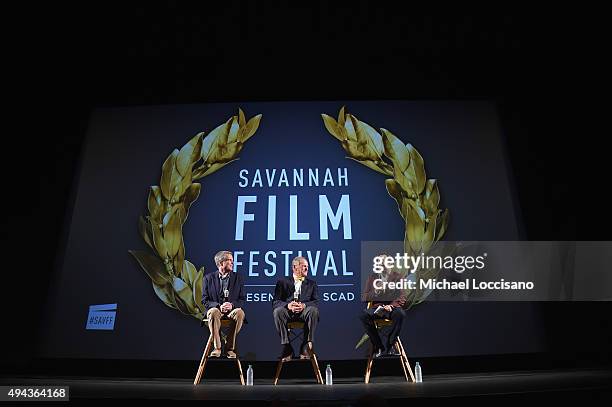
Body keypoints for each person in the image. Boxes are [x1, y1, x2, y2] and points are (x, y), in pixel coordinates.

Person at [359, 254, 407, 357]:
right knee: (363, 316)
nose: (379, 266)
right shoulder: (372, 277)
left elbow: (402, 296)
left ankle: (390, 344)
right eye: (378, 264)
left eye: (382, 264)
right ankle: (378, 346)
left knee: (400, 314)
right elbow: (364, 297)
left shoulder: (398, 277)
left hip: (392, 308)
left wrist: (391, 306)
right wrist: (375, 291)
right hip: (378, 308)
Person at [272, 256, 319, 361]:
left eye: (307, 267)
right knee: (278, 311)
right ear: (294, 267)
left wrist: (304, 305)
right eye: (304, 266)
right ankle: (287, 346)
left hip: (304, 312)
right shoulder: (282, 282)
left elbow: (315, 302)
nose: (307, 269)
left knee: (313, 310)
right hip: (288, 312)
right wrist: (288, 305)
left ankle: (306, 345)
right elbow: (276, 302)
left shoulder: (312, 284)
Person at [201, 251, 246, 358]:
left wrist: (232, 305)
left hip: (232, 311)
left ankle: (229, 347)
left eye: (232, 260)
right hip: (216, 310)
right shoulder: (208, 278)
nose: (232, 262)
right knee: (213, 312)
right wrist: (218, 306)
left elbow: (242, 299)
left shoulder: (238, 278)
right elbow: (204, 300)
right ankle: (217, 348)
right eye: (229, 260)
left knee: (240, 313)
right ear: (221, 263)